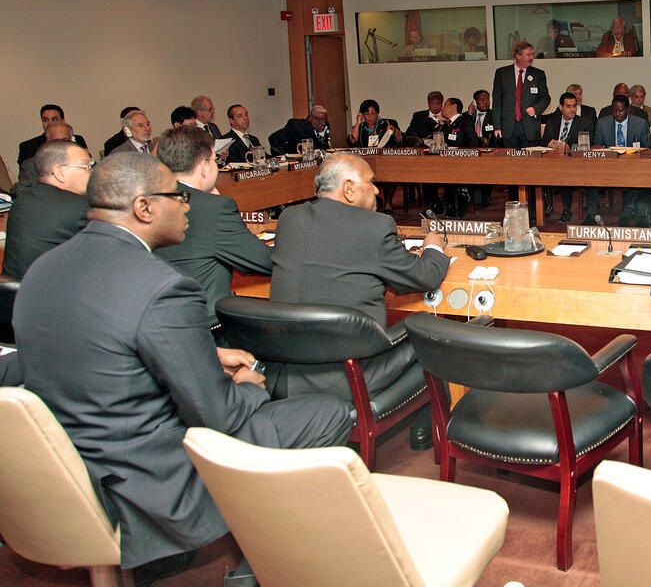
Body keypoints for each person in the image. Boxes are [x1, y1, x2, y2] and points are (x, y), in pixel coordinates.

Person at [13, 152, 352, 576]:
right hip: (148, 480)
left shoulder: (43, 270)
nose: (187, 207)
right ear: (144, 207)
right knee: (327, 411)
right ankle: (261, 568)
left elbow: (97, 348)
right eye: (178, 197)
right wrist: (249, 387)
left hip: (66, 471)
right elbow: (218, 415)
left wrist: (205, 354)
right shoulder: (162, 288)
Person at [269, 154, 451, 401]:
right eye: (371, 182)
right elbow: (425, 276)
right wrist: (433, 247)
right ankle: (439, 424)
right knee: (432, 331)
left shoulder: (289, 219)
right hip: (351, 376)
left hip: (288, 375)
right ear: (349, 189)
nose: (376, 190)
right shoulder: (375, 227)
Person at [155, 126, 273, 317]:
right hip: (206, 323)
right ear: (203, 167)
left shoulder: (150, 200)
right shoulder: (214, 208)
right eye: (214, 160)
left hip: (161, 316)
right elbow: (266, 262)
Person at [1, 140, 90, 279]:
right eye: (86, 167)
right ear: (59, 172)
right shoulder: (80, 207)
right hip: (51, 290)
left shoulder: (22, 200)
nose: (91, 173)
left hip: (13, 289)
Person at [587, 95, 651, 225]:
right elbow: (598, 146)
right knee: (590, 174)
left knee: (639, 176)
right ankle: (591, 214)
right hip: (608, 166)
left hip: (632, 165)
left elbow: (647, 150)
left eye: (621, 110)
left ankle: (627, 213)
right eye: (615, 110)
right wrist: (597, 147)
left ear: (628, 110)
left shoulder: (640, 124)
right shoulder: (602, 123)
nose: (618, 114)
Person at [541, 91, 592, 223]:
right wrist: (550, 143)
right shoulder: (552, 122)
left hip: (574, 164)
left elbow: (588, 146)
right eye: (568, 106)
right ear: (561, 107)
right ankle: (541, 208)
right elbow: (543, 142)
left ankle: (566, 210)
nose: (572, 110)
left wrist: (570, 149)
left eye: (574, 106)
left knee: (564, 172)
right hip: (552, 162)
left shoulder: (584, 123)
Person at [491, 41, 550, 148]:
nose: (532, 57)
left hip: (530, 128)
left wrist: (536, 109)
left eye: (532, 54)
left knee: (530, 158)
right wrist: (497, 126)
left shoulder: (538, 74)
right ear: (518, 56)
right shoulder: (502, 73)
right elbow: (497, 102)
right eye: (528, 55)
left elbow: (545, 98)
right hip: (508, 128)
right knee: (509, 158)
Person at [13, 119, 76, 191]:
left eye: (65, 140)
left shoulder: (82, 163)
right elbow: (23, 191)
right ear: (47, 142)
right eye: (56, 141)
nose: (61, 144)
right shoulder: (32, 165)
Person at [16, 103, 88, 164]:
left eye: (54, 119)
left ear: (63, 120)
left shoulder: (77, 140)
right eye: (45, 120)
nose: (50, 123)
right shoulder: (28, 147)